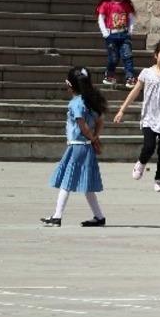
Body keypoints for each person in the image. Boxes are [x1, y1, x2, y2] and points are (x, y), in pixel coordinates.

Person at [113, 38, 160, 192]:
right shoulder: (147, 73)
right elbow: (135, 92)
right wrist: (122, 110)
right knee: (149, 146)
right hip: (150, 117)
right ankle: (141, 163)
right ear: (156, 55)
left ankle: (159, 180)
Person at [42, 67, 107, 228]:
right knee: (87, 185)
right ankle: (99, 216)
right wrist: (95, 138)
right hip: (86, 147)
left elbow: (82, 126)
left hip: (77, 146)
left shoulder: (76, 103)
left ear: (69, 85)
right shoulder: (92, 101)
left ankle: (57, 216)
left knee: (67, 181)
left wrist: (92, 139)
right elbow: (100, 121)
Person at [94, 0, 136, 88]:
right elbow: (100, 19)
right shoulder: (106, 4)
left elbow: (131, 17)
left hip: (124, 35)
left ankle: (130, 77)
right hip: (111, 35)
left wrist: (130, 30)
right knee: (113, 57)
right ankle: (110, 75)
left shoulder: (126, 5)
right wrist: (105, 33)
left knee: (127, 55)